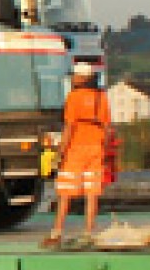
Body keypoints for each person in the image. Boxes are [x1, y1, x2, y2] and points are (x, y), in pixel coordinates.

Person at [45, 62, 112, 247]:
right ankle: (89, 232)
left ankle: (57, 232)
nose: (72, 78)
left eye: (74, 76)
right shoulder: (102, 97)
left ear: (82, 78)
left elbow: (69, 127)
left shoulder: (74, 97)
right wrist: (105, 151)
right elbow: (107, 128)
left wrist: (60, 152)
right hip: (96, 148)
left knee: (65, 192)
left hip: (76, 148)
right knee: (92, 193)